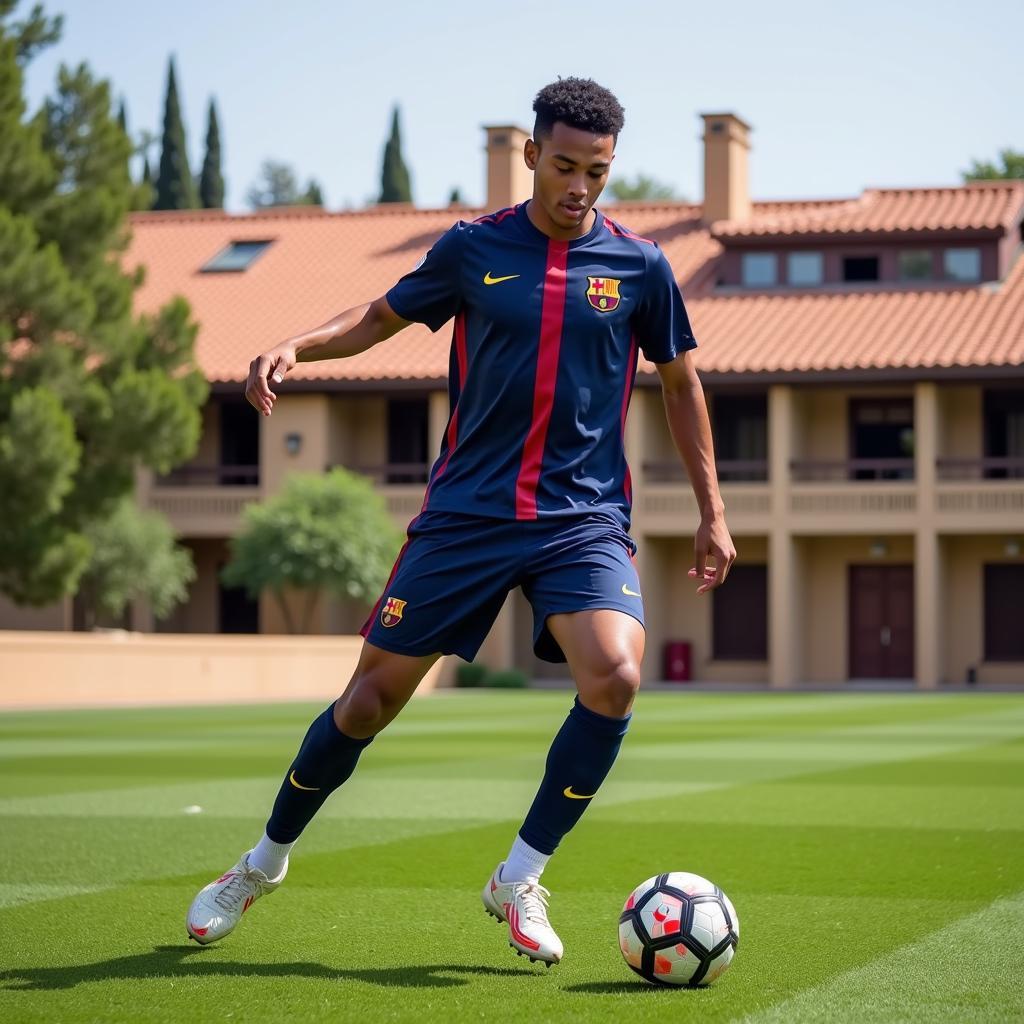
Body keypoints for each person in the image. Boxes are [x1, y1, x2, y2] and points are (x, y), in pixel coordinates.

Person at [186, 77, 735, 966]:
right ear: (531, 156)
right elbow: (378, 317)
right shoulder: (474, 248)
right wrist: (298, 343)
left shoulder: (642, 267)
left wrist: (714, 511)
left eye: (597, 171)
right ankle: (260, 864)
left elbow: (681, 384)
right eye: (563, 166)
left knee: (617, 677)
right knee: (366, 703)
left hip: (580, 520)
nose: (579, 188)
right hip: (466, 518)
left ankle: (518, 877)